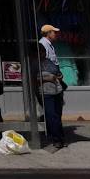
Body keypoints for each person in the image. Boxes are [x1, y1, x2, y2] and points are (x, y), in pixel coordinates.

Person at [38, 23, 66, 151]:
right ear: (48, 33)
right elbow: (42, 67)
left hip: (56, 84)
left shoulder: (50, 46)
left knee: (57, 112)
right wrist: (54, 75)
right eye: (53, 32)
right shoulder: (43, 45)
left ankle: (59, 137)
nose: (55, 34)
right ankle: (56, 138)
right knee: (52, 113)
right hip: (48, 85)